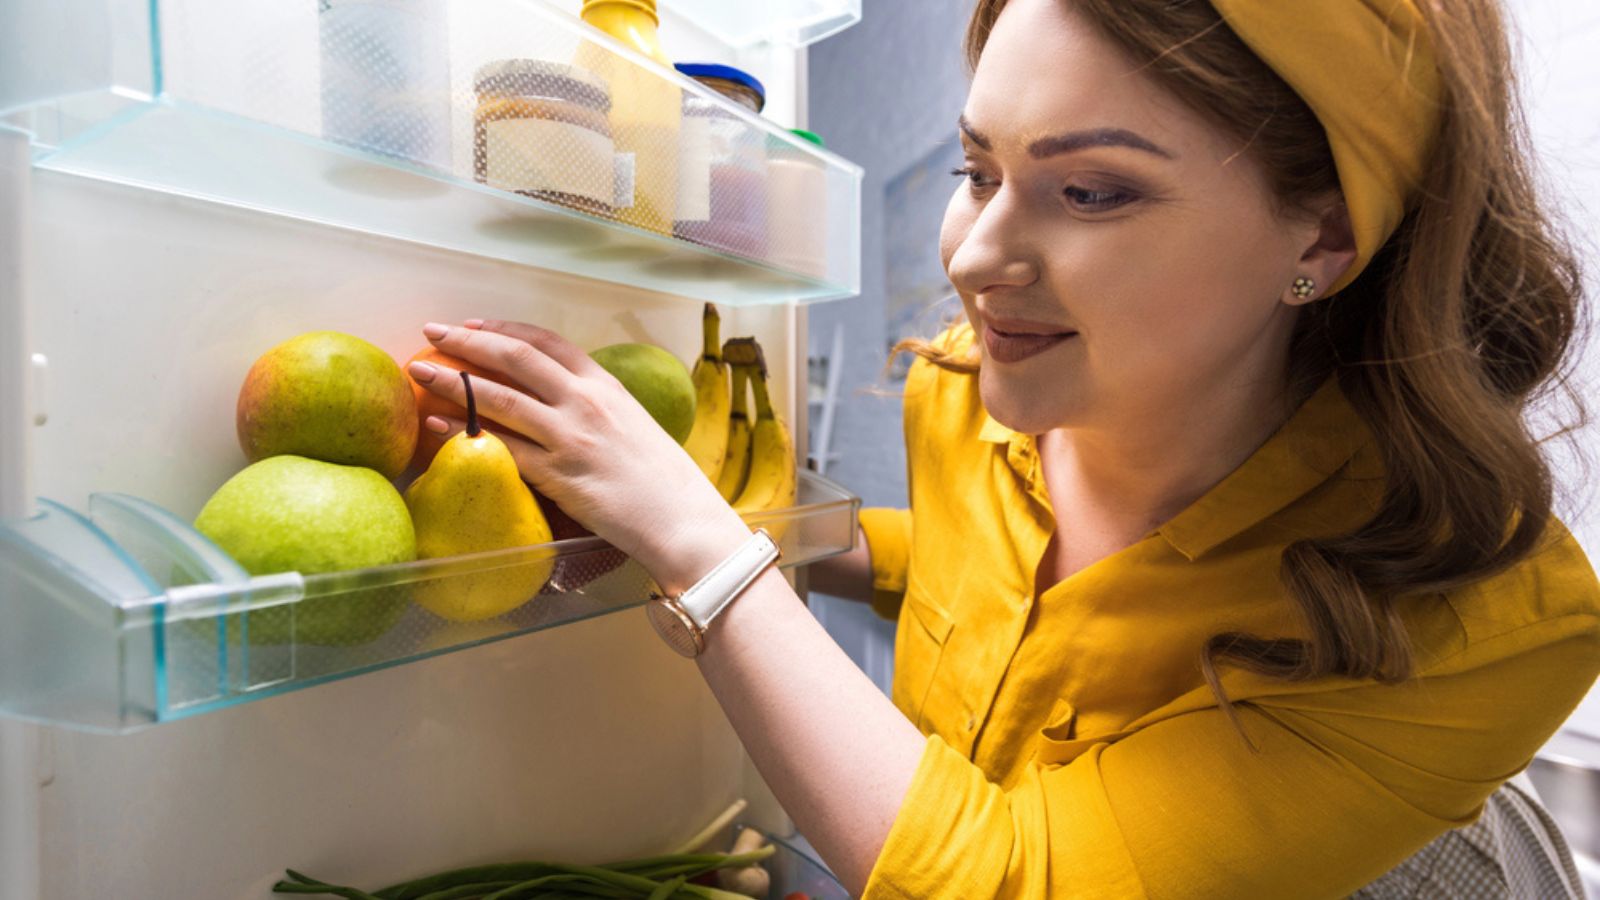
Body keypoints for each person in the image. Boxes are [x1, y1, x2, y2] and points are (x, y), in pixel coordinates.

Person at [405, 0, 1600, 895]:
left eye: (1089, 192)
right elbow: (990, 579)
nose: (973, 257)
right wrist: (806, 541)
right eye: (977, 170)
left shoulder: (1485, 619)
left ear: (1324, 235)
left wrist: (703, 547)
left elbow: (1017, 880)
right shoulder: (966, 400)